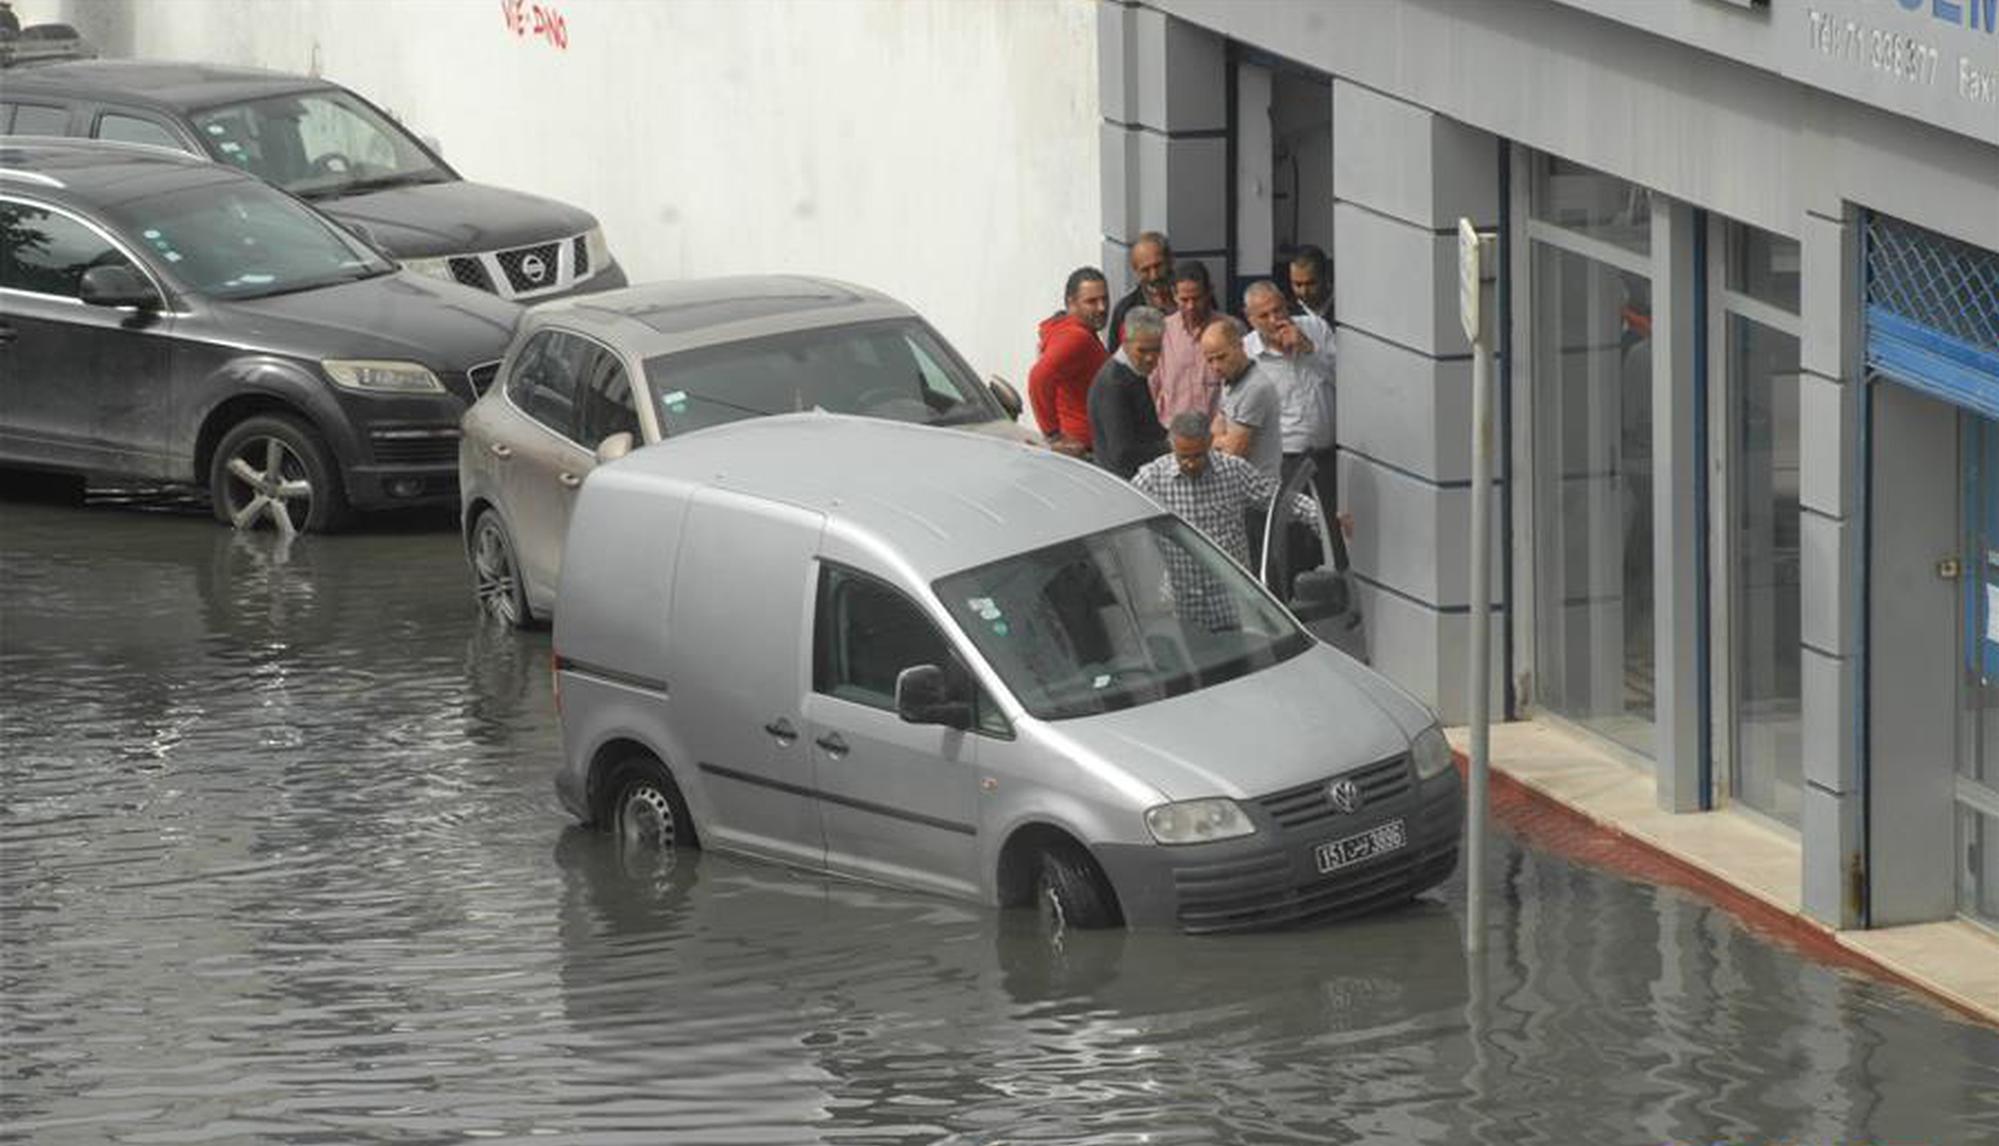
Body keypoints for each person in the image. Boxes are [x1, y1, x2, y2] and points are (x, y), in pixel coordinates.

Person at [1132, 411, 1312, 571]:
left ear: (1210, 442)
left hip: (1231, 590)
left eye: (1198, 455)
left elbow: (1277, 500)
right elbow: (1125, 514)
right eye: (1184, 457)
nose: (1191, 464)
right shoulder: (1151, 479)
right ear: (1171, 446)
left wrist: (1317, 515)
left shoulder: (1234, 470)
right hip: (1181, 590)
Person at [1243, 279, 1338, 513]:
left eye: (1278, 310)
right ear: (1250, 319)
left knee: (1330, 532)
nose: (1275, 321)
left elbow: (1345, 380)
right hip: (1285, 461)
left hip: (1328, 455)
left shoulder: (1316, 328)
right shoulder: (1247, 354)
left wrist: (1310, 350)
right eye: (1264, 316)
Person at [1029, 267, 1110, 457]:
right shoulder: (1076, 338)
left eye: (1105, 299)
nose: (1102, 307)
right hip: (1085, 449)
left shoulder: (1070, 331)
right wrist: (1053, 435)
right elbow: (1039, 377)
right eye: (1092, 301)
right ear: (1071, 304)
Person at [1087, 306, 1168, 479]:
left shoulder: (1133, 373)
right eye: (1143, 350)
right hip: (1121, 486)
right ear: (1125, 341)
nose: (1150, 358)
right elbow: (1122, 453)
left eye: (1156, 350)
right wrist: (1171, 447)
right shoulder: (1115, 384)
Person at [1201, 317, 1283, 484]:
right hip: (1238, 487)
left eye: (1221, 357)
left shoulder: (1255, 388)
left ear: (1240, 346)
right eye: (1210, 360)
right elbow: (1216, 429)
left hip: (1258, 492)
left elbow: (1232, 454)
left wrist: (1215, 441)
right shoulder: (1230, 379)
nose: (1216, 366)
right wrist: (1220, 439)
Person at [1150, 260, 1221, 428]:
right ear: (1174, 296)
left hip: (1216, 435)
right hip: (1174, 435)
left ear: (1209, 293)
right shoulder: (1162, 332)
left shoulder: (1229, 329)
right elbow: (1153, 386)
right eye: (1184, 299)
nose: (1191, 306)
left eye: (1197, 298)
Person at [1107, 231, 1174, 355]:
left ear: (1170, 260)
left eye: (1158, 266)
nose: (1154, 276)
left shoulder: (1191, 297)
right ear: (1136, 271)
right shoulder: (1125, 309)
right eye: (1145, 270)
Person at [1288, 244, 1333, 322]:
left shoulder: (1344, 308)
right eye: (1298, 285)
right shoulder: (1289, 316)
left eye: (1311, 284)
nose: (1304, 292)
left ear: (1325, 277)